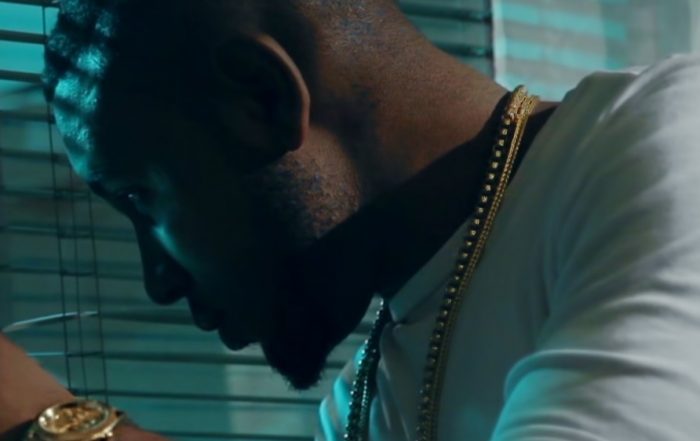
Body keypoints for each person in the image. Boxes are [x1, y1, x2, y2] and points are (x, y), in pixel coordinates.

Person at [2, 0, 700, 440]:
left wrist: (43, 420)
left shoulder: (668, 139)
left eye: (142, 199)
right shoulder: (366, 401)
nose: (157, 281)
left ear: (262, 98)